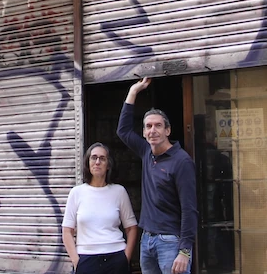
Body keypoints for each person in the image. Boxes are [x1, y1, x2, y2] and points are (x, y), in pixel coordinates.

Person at [117, 77, 197, 274]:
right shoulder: (147, 152)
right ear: (144, 132)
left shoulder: (181, 161)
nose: (152, 130)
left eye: (158, 126)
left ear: (167, 130)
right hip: (147, 240)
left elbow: (190, 209)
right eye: (148, 126)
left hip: (171, 242)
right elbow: (123, 131)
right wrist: (133, 92)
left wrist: (185, 251)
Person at [62, 142, 138, 274]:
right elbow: (67, 231)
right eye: (94, 157)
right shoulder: (76, 193)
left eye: (102, 158)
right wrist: (76, 261)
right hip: (86, 260)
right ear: (88, 162)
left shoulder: (119, 191)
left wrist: (126, 257)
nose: (97, 162)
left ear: (108, 165)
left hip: (116, 258)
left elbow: (131, 228)